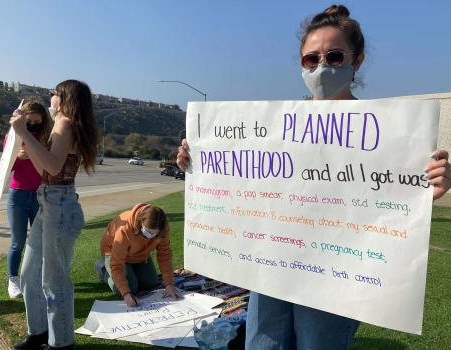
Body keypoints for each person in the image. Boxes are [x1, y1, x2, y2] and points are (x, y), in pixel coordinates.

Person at [176, 5, 451, 349]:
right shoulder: (273, 129)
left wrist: (429, 185)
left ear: (358, 60)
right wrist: (198, 160)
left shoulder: (389, 135)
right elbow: (243, 179)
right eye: (311, 59)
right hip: (271, 263)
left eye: (334, 57)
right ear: (302, 64)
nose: (322, 66)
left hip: (334, 273)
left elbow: (392, 197)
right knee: (263, 344)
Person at [10, 80, 98, 350]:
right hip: (50, 201)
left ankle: (61, 343)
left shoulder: (65, 123)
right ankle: (38, 331)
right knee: (28, 274)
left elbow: (51, 165)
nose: (50, 97)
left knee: (54, 280)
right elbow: (46, 173)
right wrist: (30, 148)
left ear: (65, 98)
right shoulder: (67, 125)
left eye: (55, 93)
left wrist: (24, 132)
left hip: (59, 206)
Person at [5, 102, 52, 298]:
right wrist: (18, 156)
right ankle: (13, 279)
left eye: (36, 121)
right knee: (18, 241)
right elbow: (6, 167)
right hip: (17, 194)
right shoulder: (13, 136)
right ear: (22, 120)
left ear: (43, 121)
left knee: (41, 239)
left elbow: (50, 165)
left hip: (40, 194)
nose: (32, 124)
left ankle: (38, 278)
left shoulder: (46, 138)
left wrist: (33, 153)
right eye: (28, 121)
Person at [96, 203, 181, 307]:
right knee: (131, 288)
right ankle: (103, 269)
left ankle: (132, 270)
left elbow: (164, 255)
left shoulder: (163, 229)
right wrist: (126, 294)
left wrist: (169, 284)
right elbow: (117, 264)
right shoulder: (124, 229)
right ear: (140, 223)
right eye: (147, 232)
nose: (150, 237)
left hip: (140, 254)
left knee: (151, 283)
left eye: (154, 234)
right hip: (113, 252)